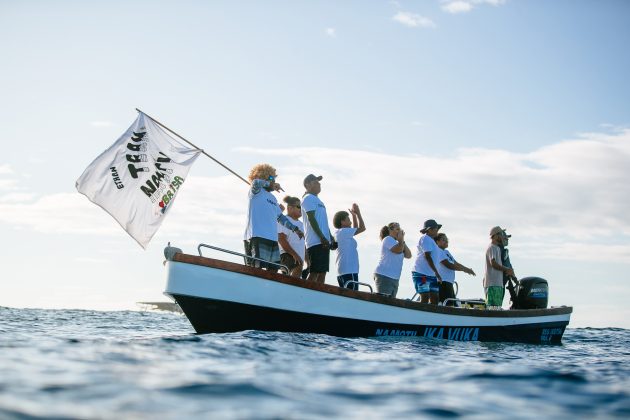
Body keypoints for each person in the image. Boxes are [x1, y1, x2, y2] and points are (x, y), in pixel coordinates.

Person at [243, 164, 304, 270]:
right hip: (257, 236)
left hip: (272, 238)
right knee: (257, 268)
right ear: (263, 176)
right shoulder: (255, 192)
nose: (274, 181)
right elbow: (255, 182)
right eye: (271, 178)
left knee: (273, 270)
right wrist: (269, 183)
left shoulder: (273, 198)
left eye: (274, 179)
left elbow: (280, 218)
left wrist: (295, 229)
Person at [301, 174, 335, 284]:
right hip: (315, 241)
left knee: (323, 272)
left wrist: (330, 237)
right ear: (307, 185)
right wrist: (321, 237)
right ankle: (306, 295)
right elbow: (311, 219)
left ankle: (318, 296)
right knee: (314, 271)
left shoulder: (318, 200)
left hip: (324, 241)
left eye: (319, 182)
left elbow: (323, 222)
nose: (319, 184)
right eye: (315, 182)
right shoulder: (307, 198)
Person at [435, 233, 476, 306]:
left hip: (449, 282)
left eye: (447, 239)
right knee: (447, 305)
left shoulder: (446, 252)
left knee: (452, 304)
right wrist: (464, 270)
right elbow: (449, 265)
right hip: (443, 282)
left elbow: (456, 263)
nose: (446, 241)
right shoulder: (438, 251)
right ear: (437, 242)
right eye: (443, 240)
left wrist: (467, 269)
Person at [333, 203, 366, 290]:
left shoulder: (340, 233)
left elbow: (354, 229)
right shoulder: (344, 232)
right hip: (349, 270)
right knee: (353, 296)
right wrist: (358, 213)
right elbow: (362, 228)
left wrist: (354, 216)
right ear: (342, 222)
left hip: (343, 271)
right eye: (348, 220)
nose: (350, 222)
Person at [373, 222, 412, 297]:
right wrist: (401, 241)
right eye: (397, 229)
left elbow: (408, 255)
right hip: (384, 275)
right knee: (383, 302)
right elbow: (398, 250)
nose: (400, 231)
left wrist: (402, 241)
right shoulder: (387, 239)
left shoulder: (398, 243)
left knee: (390, 303)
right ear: (390, 230)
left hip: (394, 278)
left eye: (400, 229)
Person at [412, 219, 443, 305]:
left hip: (431, 275)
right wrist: (436, 272)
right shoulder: (425, 238)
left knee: (435, 298)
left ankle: (432, 317)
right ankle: (420, 316)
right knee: (424, 297)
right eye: (436, 228)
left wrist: (435, 273)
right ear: (429, 230)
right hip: (422, 273)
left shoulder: (432, 241)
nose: (438, 230)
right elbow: (427, 256)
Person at [484, 226, 516, 309]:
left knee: (497, 308)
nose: (503, 236)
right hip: (492, 284)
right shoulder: (491, 247)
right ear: (495, 235)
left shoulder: (497, 248)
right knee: (492, 309)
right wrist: (506, 269)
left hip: (498, 284)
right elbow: (493, 263)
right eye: (501, 234)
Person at [278, 196, 305, 277]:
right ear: (290, 208)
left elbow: (303, 244)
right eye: (299, 207)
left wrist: (307, 260)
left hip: (298, 259)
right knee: (292, 281)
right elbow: (281, 239)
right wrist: (295, 255)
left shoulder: (301, 225)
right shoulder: (284, 220)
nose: (301, 209)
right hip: (287, 255)